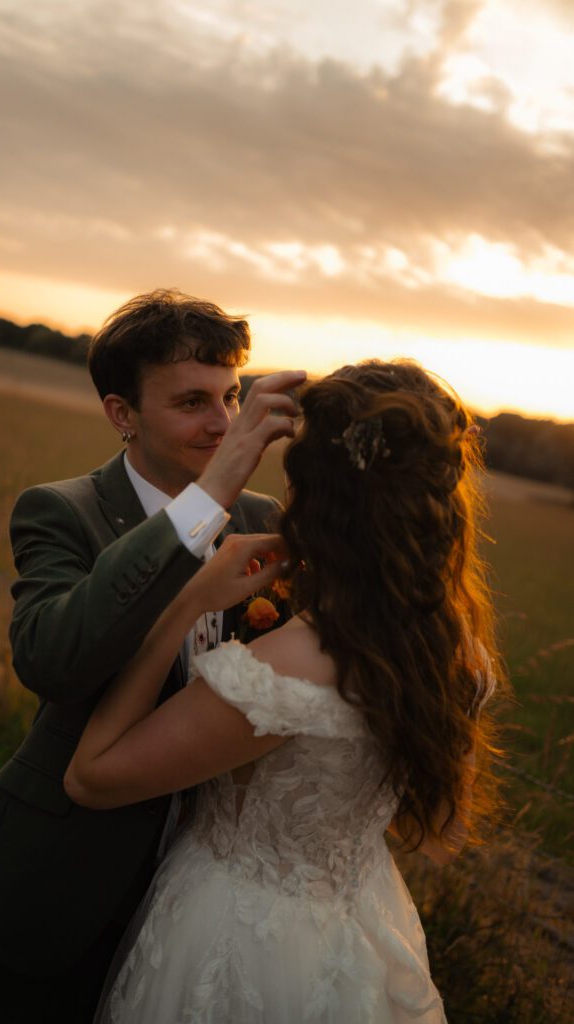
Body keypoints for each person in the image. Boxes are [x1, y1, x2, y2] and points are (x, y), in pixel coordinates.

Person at [65, 359, 504, 1024]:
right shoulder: (457, 655)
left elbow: (91, 777)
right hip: (362, 932)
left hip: (230, 938)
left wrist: (185, 604)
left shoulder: (282, 671)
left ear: (313, 495)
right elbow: (444, 833)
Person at [0, 288, 306, 1023]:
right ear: (121, 414)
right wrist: (208, 497)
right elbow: (53, 661)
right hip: (68, 875)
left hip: (210, 889)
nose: (223, 422)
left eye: (230, 396)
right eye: (192, 401)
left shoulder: (264, 521)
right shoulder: (60, 511)